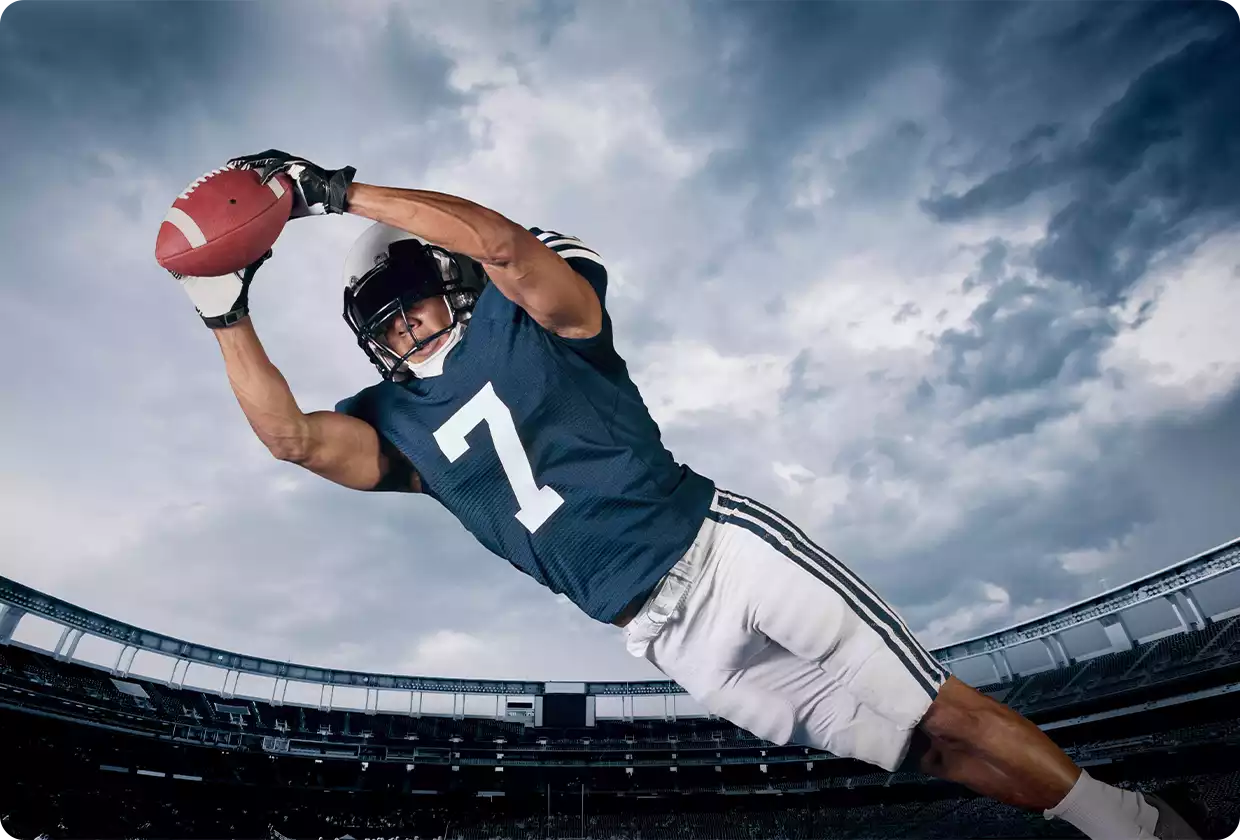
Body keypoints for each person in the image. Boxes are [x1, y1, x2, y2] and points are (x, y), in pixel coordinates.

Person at [167, 149, 1199, 840]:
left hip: (722, 555)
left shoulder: (531, 315)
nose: (402, 330)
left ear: (454, 281)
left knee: (936, 704)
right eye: (382, 323)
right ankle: (1121, 815)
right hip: (662, 637)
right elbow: (291, 439)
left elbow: (509, 249)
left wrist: (334, 194)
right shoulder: (396, 424)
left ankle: (1133, 828)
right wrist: (224, 314)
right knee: (918, 745)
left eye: (413, 303)